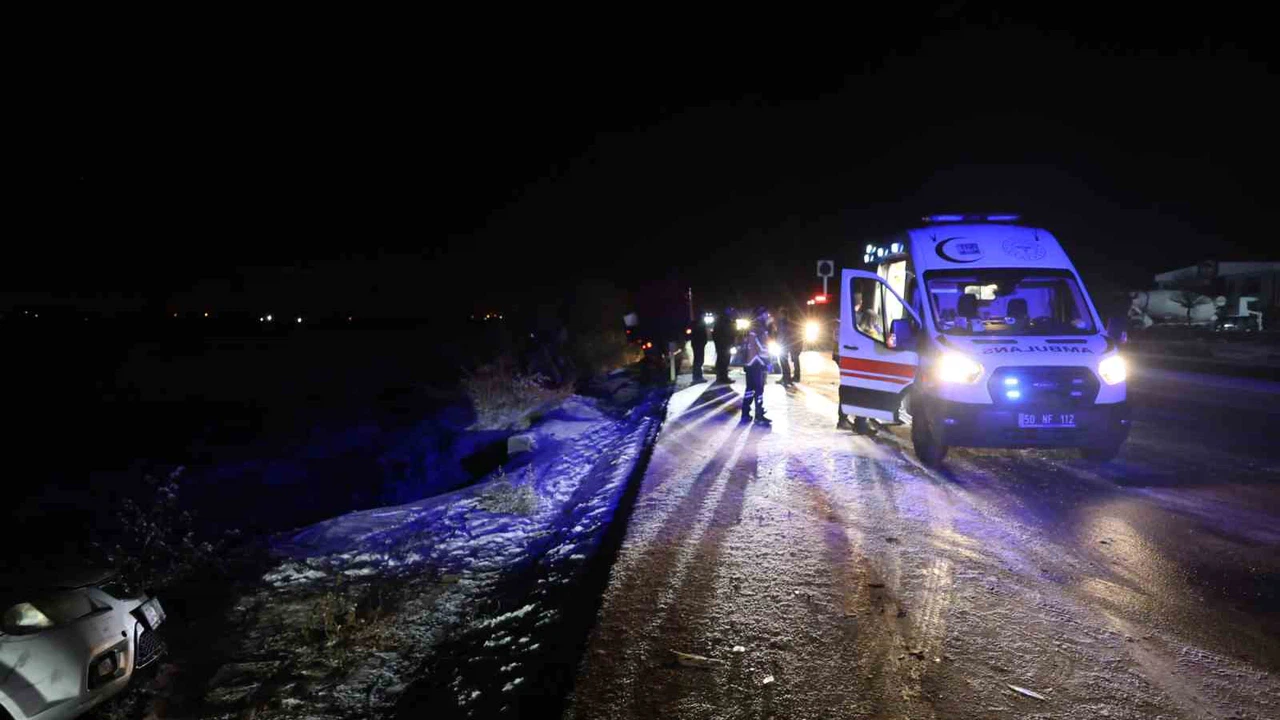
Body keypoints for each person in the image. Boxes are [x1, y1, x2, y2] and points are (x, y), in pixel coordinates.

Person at [742, 307, 771, 424]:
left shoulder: (752, 328)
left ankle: (745, 412)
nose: (768, 317)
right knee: (759, 389)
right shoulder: (760, 329)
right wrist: (768, 362)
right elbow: (763, 347)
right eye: (766, 315)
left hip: (749, 362)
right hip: (757, 362)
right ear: (761, 316)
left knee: (750, 389)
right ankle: (759, 415)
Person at [713, 306, 734, 384]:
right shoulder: (724, 321)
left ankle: (721, 376)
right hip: (724, 344)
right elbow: (727, 333)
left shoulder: (723, 320)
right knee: (723, 361)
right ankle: (722, 377)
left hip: (723, 344)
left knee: (723, 360)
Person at [774, 308, 795, 386]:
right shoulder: (785, 322)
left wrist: (779, 342)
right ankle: (786, 378)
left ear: (783, 314)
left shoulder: (783, 322)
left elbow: (782, 333)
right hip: (785, 343)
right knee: (784, 362)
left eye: (780, 314)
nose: (779, 315)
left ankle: (786, 378)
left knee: (784, 362)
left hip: (783, 344)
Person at [689, 313, 708, 383]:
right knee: (698, 360)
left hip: (698, 343)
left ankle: (697, 376)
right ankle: (697, 377)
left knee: (698, 360)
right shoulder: (699, 324)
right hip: (698, 344)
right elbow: (701, 334)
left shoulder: (695, 324)